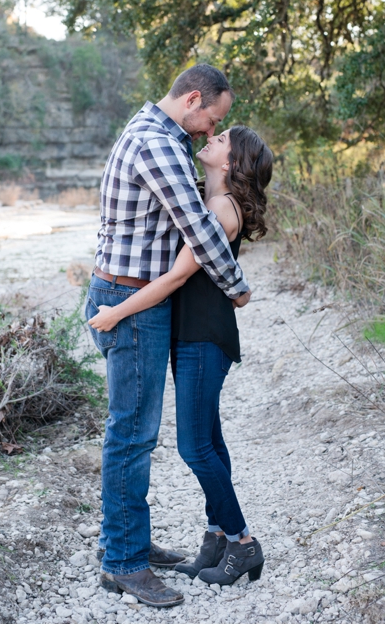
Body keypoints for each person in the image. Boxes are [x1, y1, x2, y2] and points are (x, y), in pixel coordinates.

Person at [85, 64, 251, 608]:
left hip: (128, 294)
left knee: (134, 431)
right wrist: (238, 288)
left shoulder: (148, 132)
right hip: (132, 303)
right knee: (131, 434)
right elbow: (199, 230)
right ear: (194, 98)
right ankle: (124, 564)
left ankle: (129, 541)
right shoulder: (157, 144)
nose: (209, 131)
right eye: (213, 119)